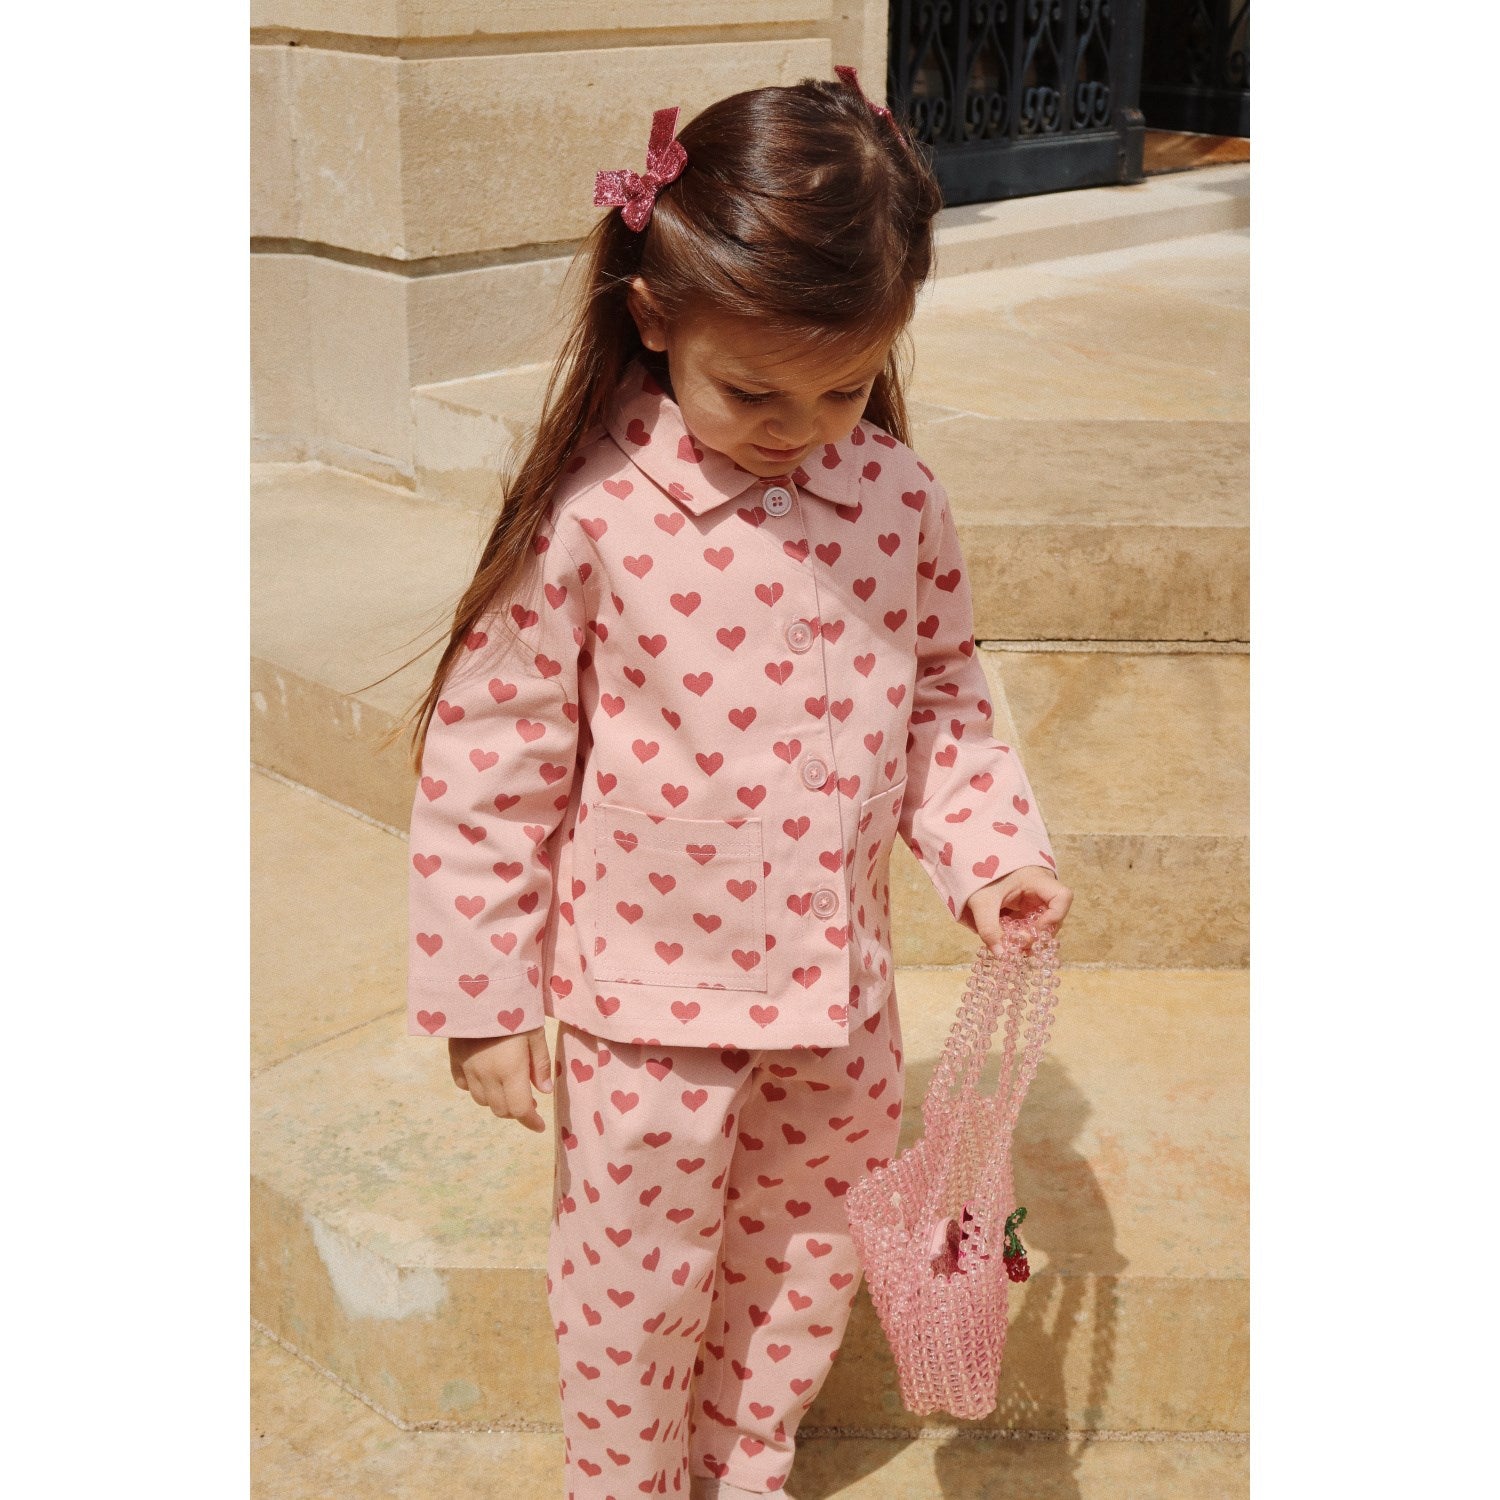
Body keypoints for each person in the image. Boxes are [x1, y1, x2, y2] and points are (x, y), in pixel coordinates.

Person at [395, 68, 1073, 1500]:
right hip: (646, 1014)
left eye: (843, 386)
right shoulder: (594, 515)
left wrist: (992, 850)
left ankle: (746, 1470)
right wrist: (486, 994)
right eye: (753, 389)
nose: (799, 425)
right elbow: (493, 760)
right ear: (656, 320)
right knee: (634, 1291)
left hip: (841, 1011)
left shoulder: (897, 498)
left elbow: (942, 694)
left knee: (803, 1271)